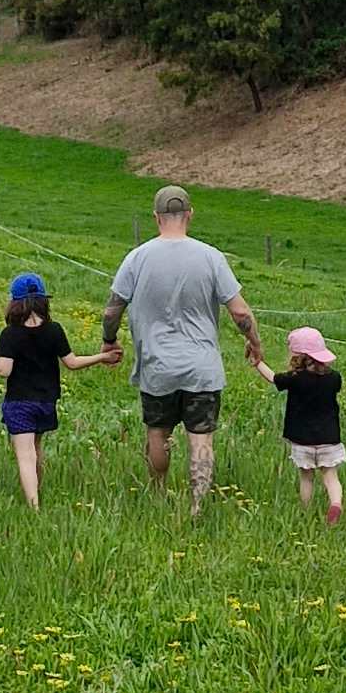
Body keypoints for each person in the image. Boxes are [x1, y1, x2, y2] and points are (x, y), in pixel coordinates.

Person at [101, 186, 264, 518]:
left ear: (156, 217)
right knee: (201, 439)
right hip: (202, 367)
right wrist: (254, 342)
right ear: (189, 214)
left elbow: (111, 310)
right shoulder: (210, 257)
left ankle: (159, 494)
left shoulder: (137, 257)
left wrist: (109, 340)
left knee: (157, 432)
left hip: (157, 366)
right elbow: (241, 313)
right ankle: (198, 504)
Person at [0, 271, 118, 509]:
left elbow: (4, 370)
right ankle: (36, 492)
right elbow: (72, 363)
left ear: (14, 303)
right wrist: (102, 357)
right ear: (43, 301)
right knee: (36, 449)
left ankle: (34, 507)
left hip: (19, 402)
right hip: (46, 402)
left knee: (25, 455)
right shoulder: (54, 330)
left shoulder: (11, 333)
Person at [257, 323, 346, 523]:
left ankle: (305, 512)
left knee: (306, 478)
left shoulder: (295, 379)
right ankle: (336, 504)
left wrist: (257, 362)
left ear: (298, 357)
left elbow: (272, 378)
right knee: (331, 477)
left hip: (302, 441)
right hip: (330, 439)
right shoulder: (334, 378)